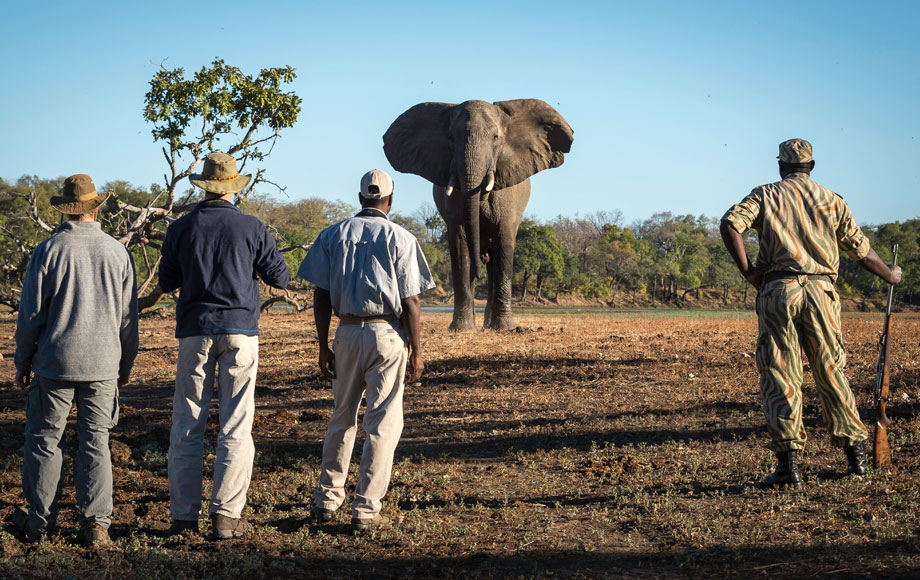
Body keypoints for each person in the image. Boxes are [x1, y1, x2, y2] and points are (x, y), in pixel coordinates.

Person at [720, 138, 902, 489]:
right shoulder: (832, 200)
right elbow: (861, 251)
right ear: (812, 167)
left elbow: (730, 224)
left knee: (780, 372)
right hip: (821, 292)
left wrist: (748, 272)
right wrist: (891, 274)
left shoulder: (764, 194)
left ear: (780, 165)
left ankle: (789, 467)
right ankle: (856, 458)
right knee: (831, 370)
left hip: (779, 289)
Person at [159, 152, 289, 539]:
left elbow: (167, 282)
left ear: (204, 187)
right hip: (240, 333)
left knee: (187, 423)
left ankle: (183, 518)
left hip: (195, 332)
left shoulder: (181, 228)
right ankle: (226, 516)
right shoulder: (251, 226)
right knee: (235, 425)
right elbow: (280, 277)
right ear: (234, 187)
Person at [298, 169, 434, 531]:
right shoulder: (401, 237)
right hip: (386, 333)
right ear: (390, 199)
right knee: (383, 422)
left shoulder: (333, 234)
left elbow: (321, 294)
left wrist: (323, 345)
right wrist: (417, 351)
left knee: (342, 416)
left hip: (346, 332)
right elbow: (413, 301)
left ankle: (327, 500)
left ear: (360, 198)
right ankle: (366, 509)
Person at [12, 174, 139, 547]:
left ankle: (38, 523)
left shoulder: (48, 250)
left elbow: (30, 317)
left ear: (65, 209)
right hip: (103, 364)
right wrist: (125, 363)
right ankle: (96, 525)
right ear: (96, 207)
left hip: (54, 363)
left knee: (44, 441)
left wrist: (23, 360)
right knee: (96, 442)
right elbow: (128, 320)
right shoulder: (118, 252)